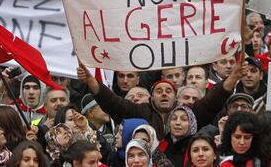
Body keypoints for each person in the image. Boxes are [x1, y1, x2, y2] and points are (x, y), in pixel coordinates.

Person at [77, 60, 248, 140]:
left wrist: (233, 77)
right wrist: (91, 80)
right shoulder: (139, 111)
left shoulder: (189, 113)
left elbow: (213, 100)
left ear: (176, 97)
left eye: (168, 91)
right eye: (159, 91)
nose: (164, 94)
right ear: (151, 96)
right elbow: (112, 102)